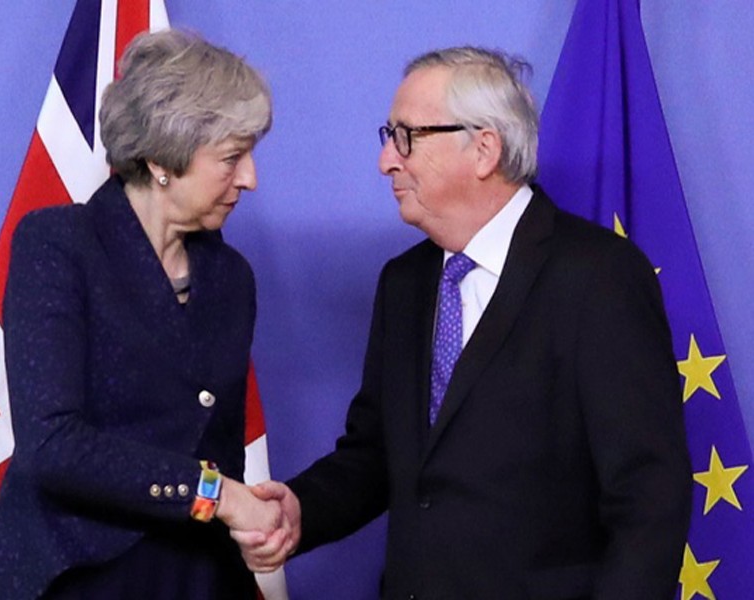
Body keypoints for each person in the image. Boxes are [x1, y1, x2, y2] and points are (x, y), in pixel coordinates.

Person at [237, 47, 691, 599]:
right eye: (388, 135)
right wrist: (301, 509)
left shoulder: (597, 278)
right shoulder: (404, 283)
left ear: (483, 149)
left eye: (406, 136)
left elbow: (649, 499)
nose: (386, 160)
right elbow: (380, 455)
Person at [0, 30, 278, 600]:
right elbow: (54, 446)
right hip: (74, 572)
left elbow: (216, 445)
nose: (250, 178)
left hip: (197, 575)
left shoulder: (232, 278)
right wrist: (220, 496)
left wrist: (252, 523)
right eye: (232, 157)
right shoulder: (58, 245)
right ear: (162, 159)